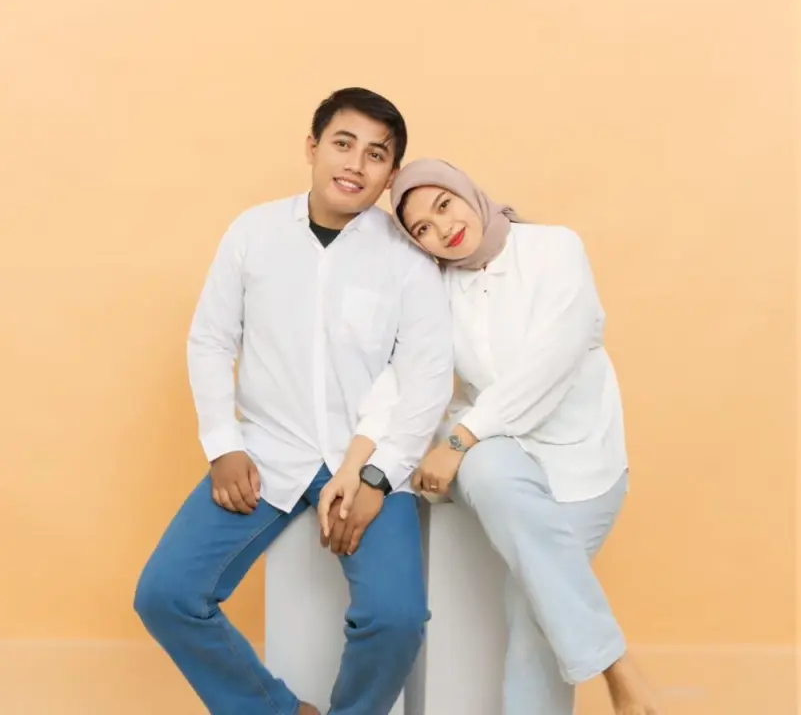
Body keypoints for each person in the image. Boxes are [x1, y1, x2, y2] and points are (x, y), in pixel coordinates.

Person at [134, 89, 454, 715]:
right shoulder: (252, 233)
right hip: (266, 452)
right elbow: (211, 340)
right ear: (312, 147)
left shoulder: (407, 258)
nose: (355, 164)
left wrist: (379, 475)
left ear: (391, 173)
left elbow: (425, 376)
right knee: (167, 594)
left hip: (366, 460)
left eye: (376, 155)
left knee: (395, 617)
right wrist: (223, 445)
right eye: (343, 144)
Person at [387, 158, 660, 715]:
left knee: (534, 609)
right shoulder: (439, 290)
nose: (444, 228)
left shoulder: (555, 248)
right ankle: (618, 667)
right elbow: (430, 378)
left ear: (468, 192)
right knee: (487, 470)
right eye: (423, 228)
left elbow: (549, 366)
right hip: (500, 454)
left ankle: (617, 675)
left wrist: (459, 440)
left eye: (445, 205)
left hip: (582, 461)